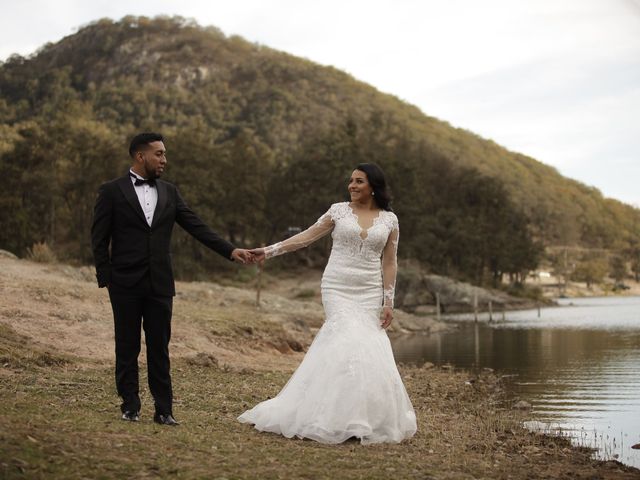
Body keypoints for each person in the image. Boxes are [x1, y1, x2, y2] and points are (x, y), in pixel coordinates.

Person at [238, 163, 417, 444]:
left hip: (370, 290)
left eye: (359, 181)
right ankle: (326, 417)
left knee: (367, 346)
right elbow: (305, 238)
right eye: (351, 181)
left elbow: (390, 261)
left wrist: (388, 300)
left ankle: (362, 418)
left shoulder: (390, 220)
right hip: (337, 286)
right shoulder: (338, 211)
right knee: (344, 339)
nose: (352, 186)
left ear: (373, 186)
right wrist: (267, 251)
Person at [91, 132, 254, 426]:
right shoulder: (112, 191)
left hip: (160, 283)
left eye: (164, 154)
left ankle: (164, 410)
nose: (164, 159)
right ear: (140, 156)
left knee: (159, 347)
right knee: (126, 346)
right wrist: (107, 278)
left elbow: (197, 226)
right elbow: (99, 238)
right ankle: (130, 405)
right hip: (124, 282)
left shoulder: (170, 192)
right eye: (159, 154)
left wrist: (231, 251)